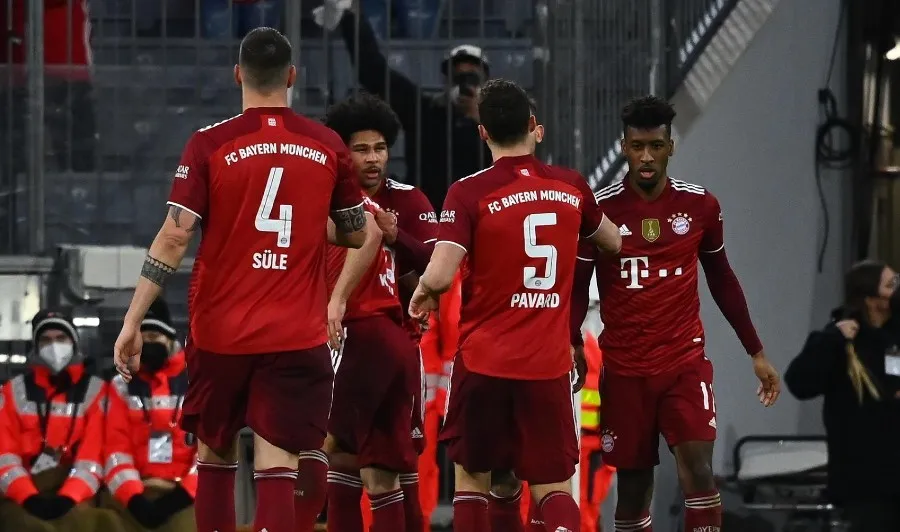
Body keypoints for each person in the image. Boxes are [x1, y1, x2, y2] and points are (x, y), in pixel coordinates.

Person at [111, 27, 368, 532]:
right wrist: (309, 225)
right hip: (296, 333)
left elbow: (173, 237)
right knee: (278, 462)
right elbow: (356, 235)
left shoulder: (209, 145)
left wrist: (133, 320)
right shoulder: (326, 145)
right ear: (292, 78)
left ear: (237, 76)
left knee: (215, 453)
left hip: (220, 331)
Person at [408, 78, 622, 532]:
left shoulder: (468, 192)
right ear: (534, 127)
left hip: (485, 362)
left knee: (473, 478)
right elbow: (613, 241)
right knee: (552, 484)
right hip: (547, 364)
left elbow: (443, 273)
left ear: (482, 132)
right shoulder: (571, 186)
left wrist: (423, 292)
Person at [582, 95, 780, 532]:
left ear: (671, 146)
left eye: (655, 146)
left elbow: (723, 279)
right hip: (625, 369)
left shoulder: (700, 207)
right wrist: (572, 344)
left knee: (699, 472)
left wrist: (756, 352)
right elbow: (577, 286)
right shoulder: (600, 212)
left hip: (683, 365)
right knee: (633, 490)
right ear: (623, 147)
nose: (646, 157)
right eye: (637, 147)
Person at [320, 91, 436, 532]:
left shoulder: (407, 201)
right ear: (343, 153)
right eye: (362, 149)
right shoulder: (328, 199)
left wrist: (396, 236)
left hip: (388, 337)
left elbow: (435, 258)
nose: (373, 159)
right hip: (348, 340)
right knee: (359, 458)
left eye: (380, 148)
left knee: (379, 458)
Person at [311, 0, 493, 208]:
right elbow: (373, 71)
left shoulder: (498, 129)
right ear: (446, 81)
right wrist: (351, 17)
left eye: (472, 78)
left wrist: (479, 119)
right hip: (426, 217)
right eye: (457, 77)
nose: (464, 85)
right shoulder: (424, 111)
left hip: (476, 219)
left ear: (486, 82)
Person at [784, 260, 900, 531]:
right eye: (891, 284)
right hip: (866, 481)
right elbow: (799, 383)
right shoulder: (839, 340)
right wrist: (832, 339)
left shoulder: (895, 337)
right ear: (871, 298)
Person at [0, 309, 117, 532]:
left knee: (83, 522)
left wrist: (69, 497)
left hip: (76, 491)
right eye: (45, 340)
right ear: (36, 346)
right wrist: (28, 497)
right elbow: (5, 457)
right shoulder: (12, 392)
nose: (54, 346)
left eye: (61, 338)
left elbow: (92, 458)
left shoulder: (96, 391)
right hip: (21, 491)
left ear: (74, 343)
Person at [103, 299, 198, 532]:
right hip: (134, 495)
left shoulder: (198, 383)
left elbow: (210, 452)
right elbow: (115, 449)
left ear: (171, 340)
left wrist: (181, 497)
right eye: (141, 338)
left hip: (185, 497)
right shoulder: (120, 385)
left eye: (155, 336)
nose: (147, 343)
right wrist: (134, 499)